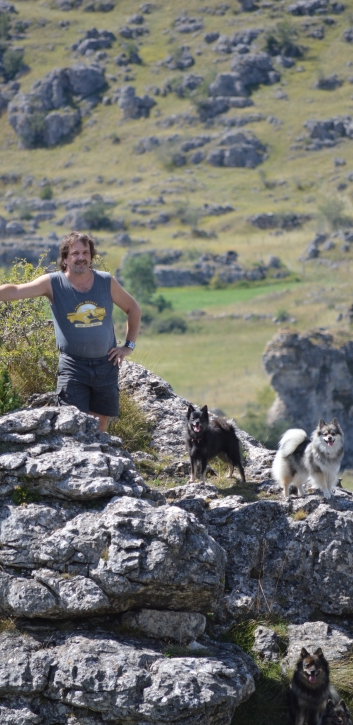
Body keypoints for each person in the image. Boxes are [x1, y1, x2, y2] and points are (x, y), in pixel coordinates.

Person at [0, 231, 141, 433]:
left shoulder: (105, 281)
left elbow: (134, 309)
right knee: (72, 426)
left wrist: (128, 346)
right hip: (73, 367)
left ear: (91, 257)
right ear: (65, 259)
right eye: (75, 253)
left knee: (100, 428)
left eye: (85, 252)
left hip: (106, 365)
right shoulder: (52, 283)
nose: (81, 257)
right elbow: (15, 290)